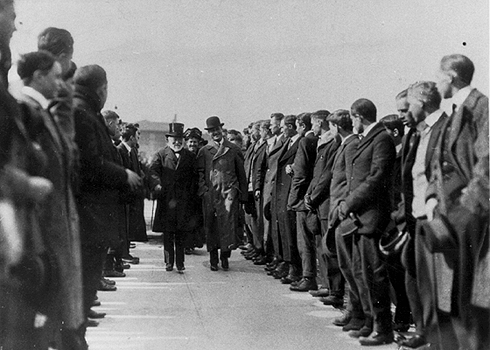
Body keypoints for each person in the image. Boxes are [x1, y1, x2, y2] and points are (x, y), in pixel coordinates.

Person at [17, 50, 85, 349]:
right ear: (39, 75)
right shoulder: (26, 108)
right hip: (43, 228)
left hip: (56, 225)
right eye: (56, 76)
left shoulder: (43, 110)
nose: (61, 83)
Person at [73, 65, 141, 342]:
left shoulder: (85, 112)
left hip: (93, 212)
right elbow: (91, 162)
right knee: (84, 283)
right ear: (101, 88)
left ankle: (78, 335)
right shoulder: (83, 113)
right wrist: (123, 174)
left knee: (87, 287)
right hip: (90, 212)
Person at [427, 54, 489, 350]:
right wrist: (430, 197)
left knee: (469, 296)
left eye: (439, 77)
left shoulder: (480, 106)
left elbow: (487, 161)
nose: (436, 83)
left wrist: (468, 207)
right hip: (447, 215)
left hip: (468, 216)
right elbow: (437, 163)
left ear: (451, 76)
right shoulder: (454, 111)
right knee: (451, 295)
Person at [338, 98, 396, 346]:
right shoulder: (369, 139)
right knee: (364, 272)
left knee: (375, 273)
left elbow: (376, 178)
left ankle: (383, 329)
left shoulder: (381, 138)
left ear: (359, 117)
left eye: (353, 119)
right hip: (362, 215)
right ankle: (371, 322)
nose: (352, 123)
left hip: (372, 215)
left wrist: (350, 203)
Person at [395, 81, 448, 349]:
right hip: (414, 218)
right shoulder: (416, 133)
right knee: (415, 274)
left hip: (436, 219)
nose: (403, 113)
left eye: (408, 105)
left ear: (421, 103)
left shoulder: (444, 129)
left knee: (436, 282)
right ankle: (424, 330)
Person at [302, 110, 343, 301]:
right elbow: (316, 174)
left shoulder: (332, 143)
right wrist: (309, 194)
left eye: (314, 124)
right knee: (321, 245)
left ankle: (334, 289)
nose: (312, 128)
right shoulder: (323, 143)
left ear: (320, 122)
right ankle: (327, 285)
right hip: (319, 202)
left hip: (326, 202)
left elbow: (326, 176)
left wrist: (314, 196)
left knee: (328, 246)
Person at [197, 116, 247, 271]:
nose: (215, 133)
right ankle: (213, 259)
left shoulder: (233, 149)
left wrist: (241, 194)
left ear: (222, 130)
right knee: (211, 227)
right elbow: (199, 173)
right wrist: (204, 190)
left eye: (217, 130)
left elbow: (241, 175)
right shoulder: (204, 151)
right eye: (211, 131)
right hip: (211, 195)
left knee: (227, 227)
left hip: (228, 195)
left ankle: (225, 257)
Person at [150, 123, 198, 273]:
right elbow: (153, 172)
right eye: (173, 139)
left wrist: (191, 195)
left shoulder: (190, 156)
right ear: (168, 139)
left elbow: (194, 177)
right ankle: (168, 262)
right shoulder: (160, 154)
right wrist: (157, 185)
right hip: (167, 200)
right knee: (168, 232)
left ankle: (180, 263)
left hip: (184, 201)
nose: (176, 142)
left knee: (181, 232)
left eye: (179, 139)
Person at [327, 109, 359, 329]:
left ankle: (354, 312)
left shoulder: (351, 146)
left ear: (336, 127)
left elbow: (351, 182)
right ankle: (353, 311)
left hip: (343, 213)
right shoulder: (346, 145)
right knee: (346, 265)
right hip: (338, 212)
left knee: (350, 266)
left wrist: (341, 209)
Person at [379, 113, 412, 333]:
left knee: (402, 271)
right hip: (389, 218)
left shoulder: (406, 153)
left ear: (395, 133)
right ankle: (400, 313)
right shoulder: (390, 154)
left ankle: (403, 316)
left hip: (402, 218)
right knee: (392, 270)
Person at [287, 112, 319, 291]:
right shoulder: (317, 141)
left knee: (304, 240)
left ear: (302, 126)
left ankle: (308, 276)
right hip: (313, 195)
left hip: (302, 198)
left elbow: (300, 174)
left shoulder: (305, 141)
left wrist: (293, 199)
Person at [273, 114, 302, 283]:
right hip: (282, 192)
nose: (281, 129)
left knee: (290, 231)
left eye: (283, 126)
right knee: (283, 229)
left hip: (291, 192)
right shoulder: (288, 142)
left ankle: (294, 268)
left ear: (290, 127)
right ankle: (286, 262)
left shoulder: (301, 142)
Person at [183, 127, 205, 253]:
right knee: (186, 218)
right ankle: (186, 244)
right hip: (186, 191)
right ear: (187, 142)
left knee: (196, 218)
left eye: (195, 142)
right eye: (190, 141)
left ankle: (194, 242)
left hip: (197, 191)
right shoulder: (183, 155)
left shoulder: (200, 155)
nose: (192, 144)